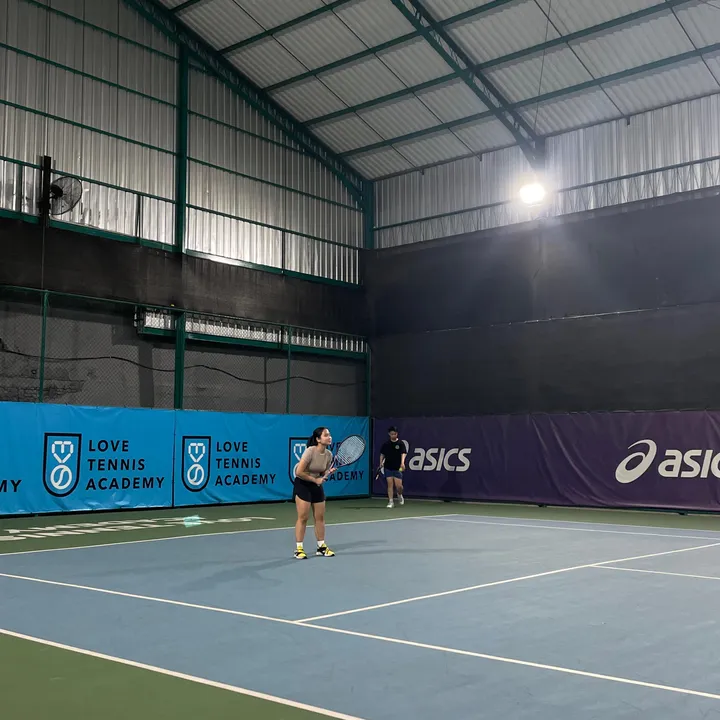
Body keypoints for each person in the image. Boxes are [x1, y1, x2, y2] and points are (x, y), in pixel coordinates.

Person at [292, 426, 336, 559]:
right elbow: (299, 472)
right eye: (326, 435)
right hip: (303, 484)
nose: (329, 437)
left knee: (320, 517)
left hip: (316, 486)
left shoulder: (329, 455)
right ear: (318, 439)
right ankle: (299, 549)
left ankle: (321, 547)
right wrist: (315, 480)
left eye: (329, 435)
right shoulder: (310, 451)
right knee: (303, 517)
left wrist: (327, 473)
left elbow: (322, 473)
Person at [379, 426, 407, 509]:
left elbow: (403, 453)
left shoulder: (401, 443)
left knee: (399, 487)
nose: (393, 435)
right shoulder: (386, 444)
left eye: (394, 434)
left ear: (397, 434)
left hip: (398, 468)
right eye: (392, 434)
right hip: (388, 467)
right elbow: (382, 454)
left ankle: (399, 494)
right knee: (390, 485)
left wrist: (402, 463)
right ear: (389, 434)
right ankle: (391, 502)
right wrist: (381, 463)